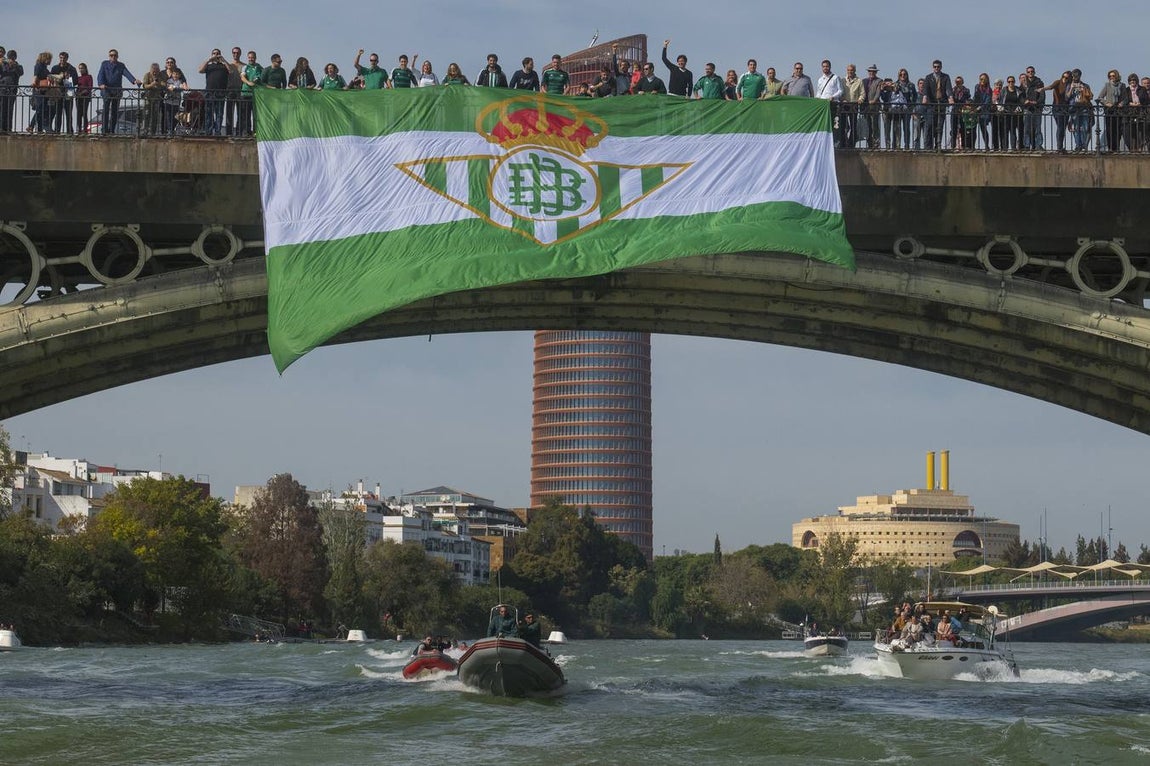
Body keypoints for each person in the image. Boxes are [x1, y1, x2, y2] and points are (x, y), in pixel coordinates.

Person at [97, 48, 139, 135]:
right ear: (109, 56)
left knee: (115, 111)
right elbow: (100, 74)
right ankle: (104, 130)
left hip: (117, 90)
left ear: (117, 56)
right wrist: (101, 84)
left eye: (115, 55)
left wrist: (134, 81)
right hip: (106, 90)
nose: (113, 57)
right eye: (111, 55)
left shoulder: (121, 65)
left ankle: (112, 130)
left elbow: (127, 73)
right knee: (106, 109)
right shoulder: (104, 64)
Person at [198, 48, 230, 136]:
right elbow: (200, 70)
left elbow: (231, 71)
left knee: (219, 114)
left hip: (220, 93)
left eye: (217, 53)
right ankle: (208, 131)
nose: (216, 55)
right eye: (214, 53)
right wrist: (209, 60)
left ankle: (218, 131)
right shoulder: (209, 65)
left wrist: (223, 60)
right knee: (209, 113)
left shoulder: (223, 65)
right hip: (209, 92)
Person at [922, 59, 952, 150]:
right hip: (932, 104)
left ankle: (938, 145)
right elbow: (926, 90)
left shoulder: (945, 77)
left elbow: (948, 89)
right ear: (932, 67)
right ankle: (928, 147)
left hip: (941, 104)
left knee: (940, 125)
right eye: (935, 67)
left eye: (938, 67)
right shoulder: (928, 77)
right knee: (930, 125)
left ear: (941, 67)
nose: (936, 68)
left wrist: (950, 98)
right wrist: (925, 98)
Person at [50, 51, 78, 134]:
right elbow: (51, 78)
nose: (62, 59)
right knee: (58, 112)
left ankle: (70, 130)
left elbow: (76, 81)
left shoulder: (71, 69)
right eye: (61, 58)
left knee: (68, 112)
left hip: (69, 91)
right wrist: (60, 78)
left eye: (64, 58)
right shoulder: (55, 68)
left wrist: (69, 78)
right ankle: (57, 130)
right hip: (58, 91)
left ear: (67, 59)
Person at [238, 51, 261, 136]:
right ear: (248, 58)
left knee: (255, 115)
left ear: (255, 58)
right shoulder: (245, 67)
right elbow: (242, 77)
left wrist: (254, 81)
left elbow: (258, 77)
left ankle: (255, 132)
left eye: (252, 57)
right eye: (249, 57)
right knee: (245, 115)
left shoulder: (258, 67)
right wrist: (249, 82)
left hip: (255, 94)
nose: (251, 59)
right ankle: (246, 131)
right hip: (245, 93)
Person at [0, 49, 22, 133]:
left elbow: (21, 72)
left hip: (12, 90)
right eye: (9, 57)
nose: (11, 59)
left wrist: (14, 65)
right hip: (2, 89)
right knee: (2, 109)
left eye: (12, 57)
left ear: (15, 58)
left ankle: (8, 128)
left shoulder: (18, 66)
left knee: (9, 109)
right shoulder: (2, 65)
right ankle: (1, 128)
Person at [141, 62, 166, 136]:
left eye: (157, 70)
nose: (155, 72)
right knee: (146, 114)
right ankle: (145, 131)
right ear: (151, 70)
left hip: (157, 98)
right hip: (148, 98)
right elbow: (145, 86)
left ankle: (153, 132)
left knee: (155, 116)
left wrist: (159, 83)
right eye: (154, 70)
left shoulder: (161, 75)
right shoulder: (147, 75)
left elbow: (164, 84)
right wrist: (152, 84)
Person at [225, 46, 243, 137]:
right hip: (230, 91)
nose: (236, 54)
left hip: (240, 91)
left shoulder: (244, 66)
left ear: (240, 54)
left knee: (240, 113)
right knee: (229, 113)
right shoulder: (228, 65)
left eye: (237, 53)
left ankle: (239, 132)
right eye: (234, 52)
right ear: (232, 53)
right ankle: (229, 133)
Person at [75, 61, 93, 134]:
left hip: (85, 96)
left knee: (84, 112)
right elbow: (75, 85)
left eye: (82, 68)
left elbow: (90, 87)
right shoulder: (78, 78)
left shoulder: (89, 77)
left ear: (85, 69)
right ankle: (78, 128)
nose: (81, 70)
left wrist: (83, 92)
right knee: (79, 113)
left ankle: (85, 129)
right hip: (78, 97)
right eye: (79, 68)